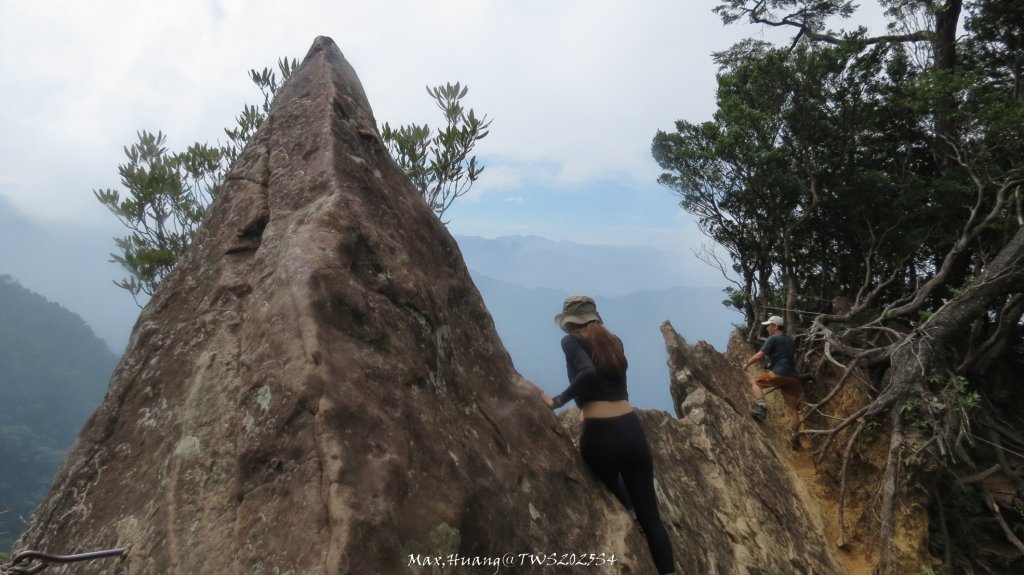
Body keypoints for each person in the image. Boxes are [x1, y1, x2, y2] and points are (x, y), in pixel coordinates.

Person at [543, 295, 675, 575]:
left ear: (570, 322)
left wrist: (558, 401)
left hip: (600, 436)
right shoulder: (614, 341)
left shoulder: (571, 342)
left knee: (606, 478)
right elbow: (615, 388)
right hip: (631, 430)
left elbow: (588, 374)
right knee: (653, 520)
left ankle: (629, 511)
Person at [742, 315, 803, 450]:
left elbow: (759, 355)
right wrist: (772, 365)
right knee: (793, 410)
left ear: (775, 327)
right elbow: (785, 356)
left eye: (769, 326)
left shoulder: (773, 338)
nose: (767, 328)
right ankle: (795, 437)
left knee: (756, 382)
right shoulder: (789, 340)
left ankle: (761, 409)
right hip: (793, 377)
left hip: (780, 373)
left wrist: (747, 364)